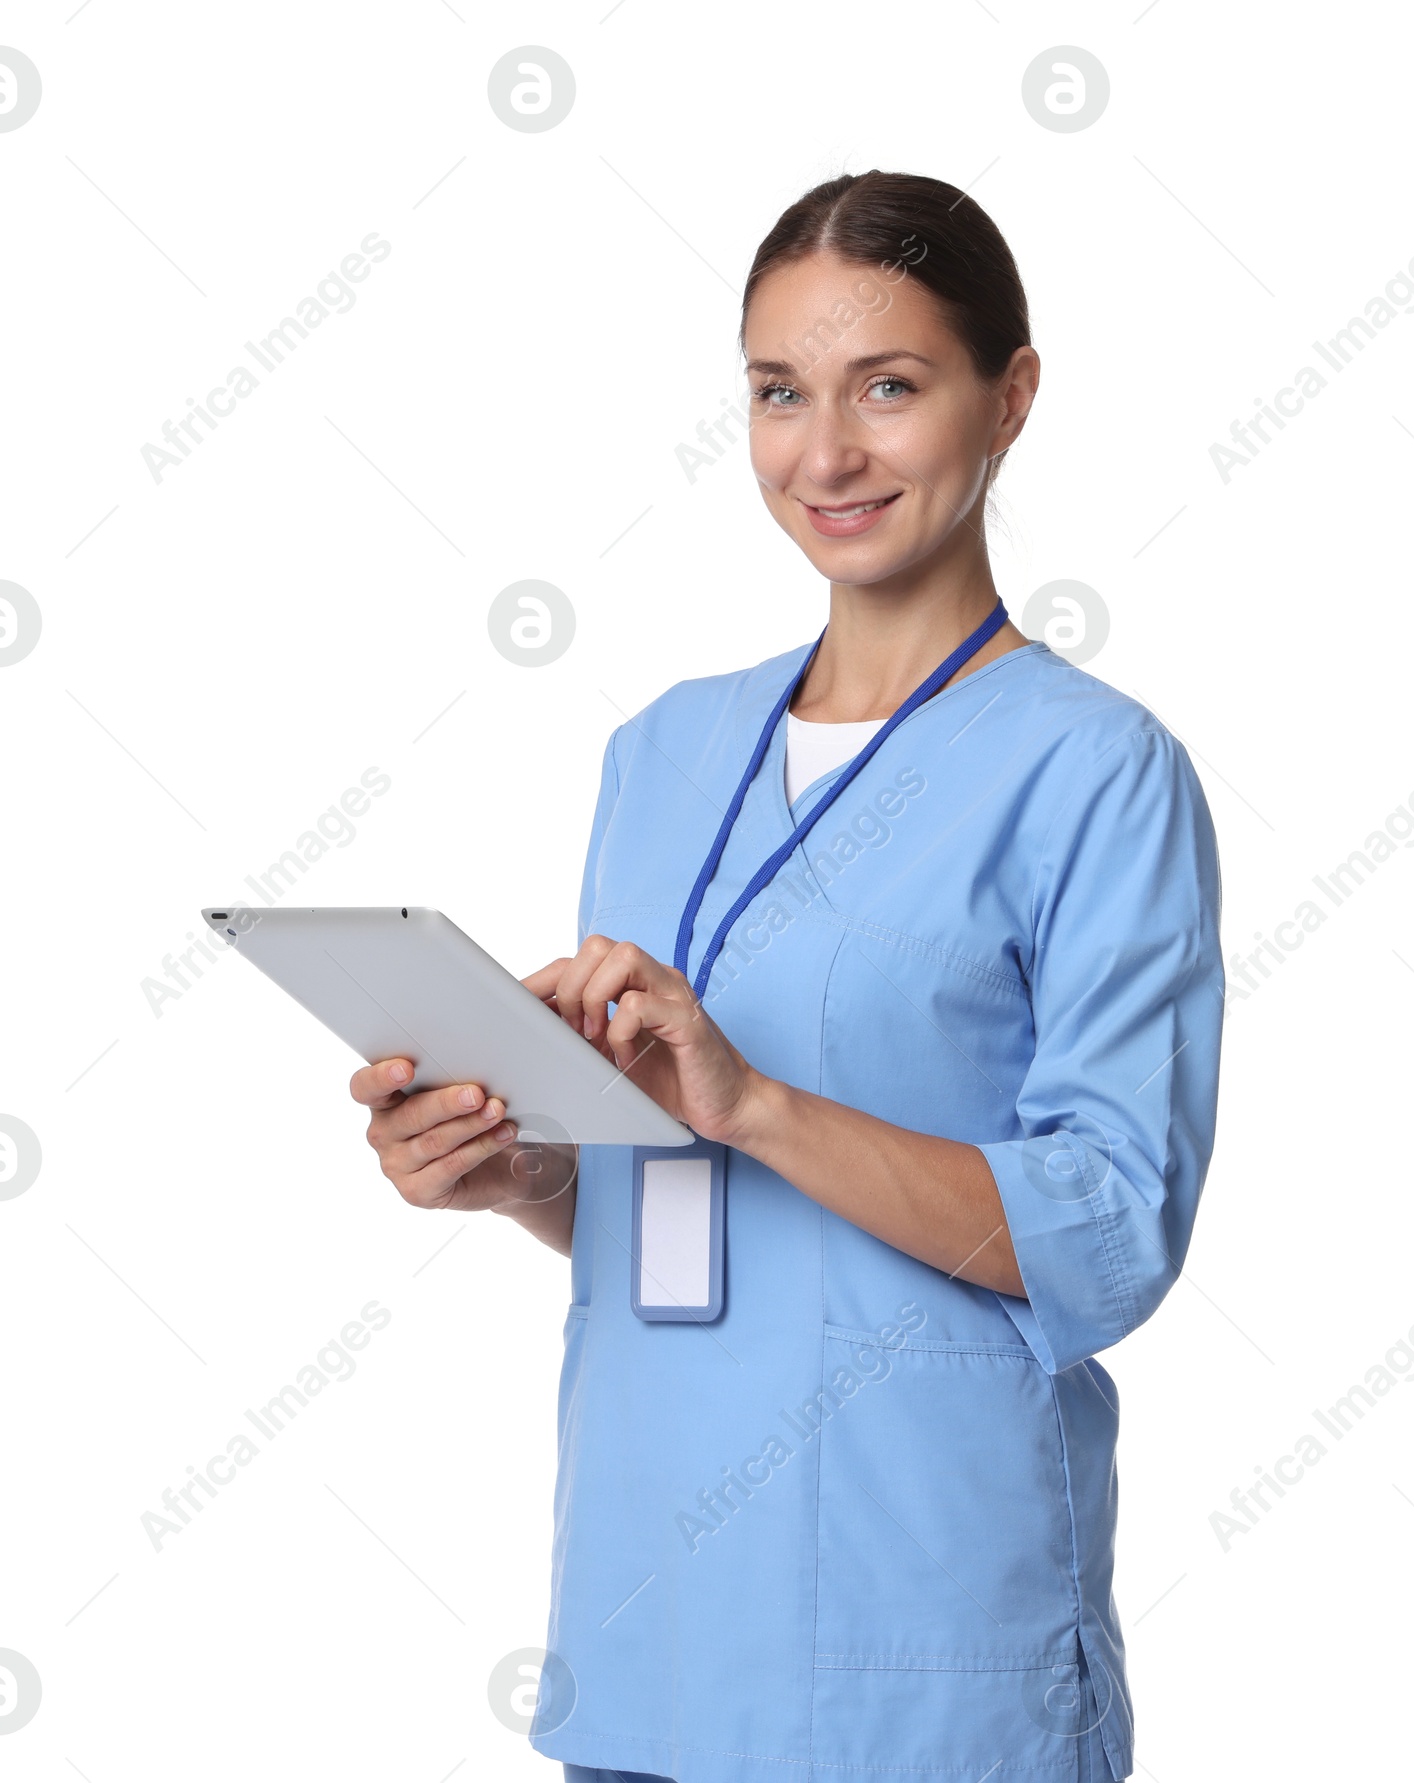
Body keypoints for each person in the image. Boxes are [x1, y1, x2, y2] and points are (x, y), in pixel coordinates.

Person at [351, 170, 1224, 1783]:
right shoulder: (663, 752)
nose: (824, 454)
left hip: (922, 1645)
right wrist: (525, 1172)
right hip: (655, 1629)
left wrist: (751, 1101)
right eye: (779, 395)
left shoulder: (1097, 772)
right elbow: (677, 1209)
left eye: (888, 387)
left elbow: (1110, 1235)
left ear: (1009, 397)